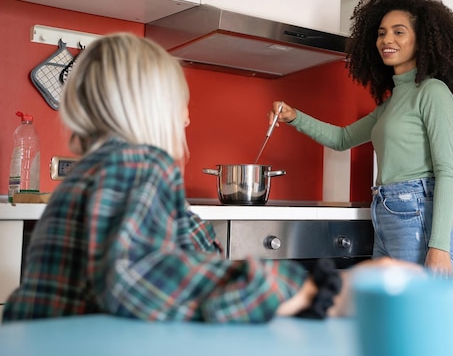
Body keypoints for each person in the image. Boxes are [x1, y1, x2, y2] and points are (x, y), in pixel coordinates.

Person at [2, 33, 420, 324]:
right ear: (150, 109)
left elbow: (184, 253)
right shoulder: (131, 166)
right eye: (181, 105)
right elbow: (140, 279)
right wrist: (323, 290)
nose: (186, 117)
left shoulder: (102, 176)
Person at [268, 0, 453, 276]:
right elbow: (342, 139)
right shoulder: (392, 103)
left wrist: (439, 246)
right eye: (381, 33)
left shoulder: (433, 91)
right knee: (387, 311)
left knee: (410, 314)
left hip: (415, 215)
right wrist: (293, 116)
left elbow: (446, 170)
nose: (386, 39)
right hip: (385, 212)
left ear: (423, 40)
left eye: (398, 31)